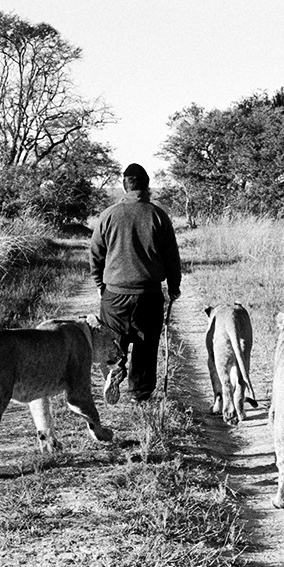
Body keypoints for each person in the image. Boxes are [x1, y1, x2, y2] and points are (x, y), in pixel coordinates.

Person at [90, 163, 182, 402]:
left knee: (113, 340)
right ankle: (139, 393)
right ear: (147, 185)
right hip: (148, 294)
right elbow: (172, 256)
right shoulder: (158, 215)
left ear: (125, 185)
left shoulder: (108, 215)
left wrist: (101, 285)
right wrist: (174, 286)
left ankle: (115, 370)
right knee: (146, 345)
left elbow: (96, 254)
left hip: (115, 294)